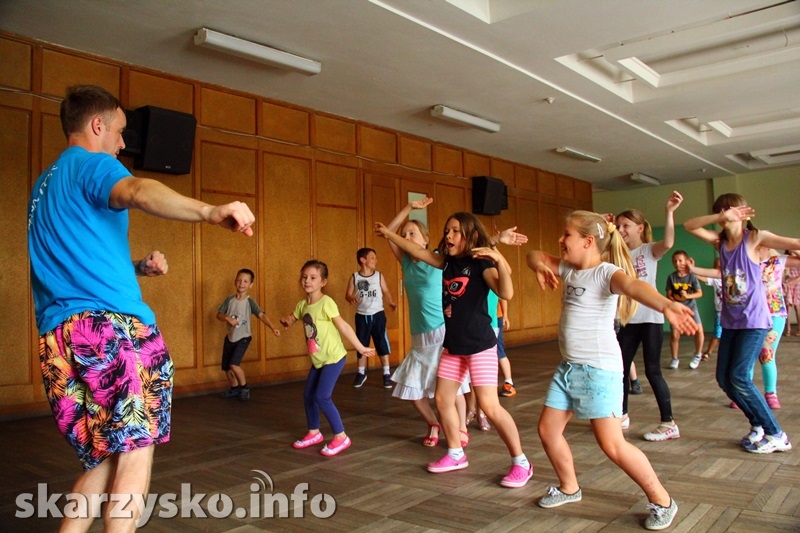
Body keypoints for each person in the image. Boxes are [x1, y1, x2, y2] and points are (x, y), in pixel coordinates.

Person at [27, 84, 256, 531]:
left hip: (59, 339)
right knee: (135, 449)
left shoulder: (45, 186)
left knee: (106, 455)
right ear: (97, 125)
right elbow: (136, 189)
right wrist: (209, 211)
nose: (122, 143)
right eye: (119, 131)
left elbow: (69, 263)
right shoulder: (92, 164)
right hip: (109, 330)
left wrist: (136, 268)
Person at [526, 210, 697, 530]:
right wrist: (539, 266)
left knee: (612, 445)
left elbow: (634, 286)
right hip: (568, 368)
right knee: (548, 431)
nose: (561, 240)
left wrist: (666, 305)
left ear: (588, 241)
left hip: (598, 370)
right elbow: (533, 254)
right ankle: (569, 487)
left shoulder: (606, 273)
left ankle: (663, 500)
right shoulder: (569, 268)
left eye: (567, 235)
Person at [375, 212, 532, 489]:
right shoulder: (446, 262)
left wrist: (499, 259)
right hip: (453, 345)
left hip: (480, 345)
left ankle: (521, 462)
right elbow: (415, 250)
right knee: (443, 399)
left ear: (470, 236)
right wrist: (389, 234)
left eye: (455, 231)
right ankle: (456, 452)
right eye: (447, 230)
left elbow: (506, 293)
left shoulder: (482, 263)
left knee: (490, 406)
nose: (448, 235)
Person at [684, 193, 800, 453]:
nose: (728, 214)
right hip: (731, 321)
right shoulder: (720, 242)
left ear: (744, 213)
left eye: (732, 209)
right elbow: (689, 225)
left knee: (739, 376)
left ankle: (776, 434)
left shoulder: (755, 238)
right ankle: (757, 424)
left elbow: (794, 243)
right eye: (723, 210)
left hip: (755, 321)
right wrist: (720, 216)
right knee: (724, 379)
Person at [383, 197, 469, 448]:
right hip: (419, 337)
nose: (407, 237)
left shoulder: (439, 259)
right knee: (411, 387)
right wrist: (409, 208)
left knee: (454, 386)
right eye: (405, 234)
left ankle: (462, 427)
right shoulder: (406, 263)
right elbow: (388, 233)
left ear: (425, 240)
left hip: (442, 331)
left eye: (413, 233)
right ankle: (433, 423)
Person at [281, 260, 376, 456]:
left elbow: (344, 326)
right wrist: (287, 320)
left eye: (313, 278)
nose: (307, 281)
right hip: (318, 360)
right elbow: (293, 316)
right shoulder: (303, 305)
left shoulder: (326, 303)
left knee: (322, 397)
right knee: (308, 396)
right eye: (304, 277)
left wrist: (360, 347)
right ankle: (314, 432)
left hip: (333, 358)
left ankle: (341, 437)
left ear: (323, 282)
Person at [614, 191, 682, 440]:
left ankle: (668, 423)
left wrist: (669, 212)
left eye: (626, 225)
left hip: (651, 319)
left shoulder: (649, 250)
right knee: (620, 370)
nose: (621, 230)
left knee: (653, 371)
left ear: (640, 228)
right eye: (618, 226)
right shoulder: (617, 253)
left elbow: (669, 243)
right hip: (627, 320)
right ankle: (621, 415)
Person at [217, 268, 281, 401]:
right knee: (227, 367)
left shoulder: (249, 302)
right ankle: (234, 389)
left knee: (234, 364)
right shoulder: (229, 300)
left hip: (243, 338)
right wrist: (227, 318)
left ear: (251, 285)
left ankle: (244, 388)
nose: (242, 283)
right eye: (239, 280)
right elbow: (219, 315)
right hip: (230, 337)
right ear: (235, 282)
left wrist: (273, 328)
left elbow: (261, 315)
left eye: (245, 281)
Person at [346, 248, 397, 389]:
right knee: (361, 343)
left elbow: (385, 291)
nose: (375, 260)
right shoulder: (355, 277)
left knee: (382, 342)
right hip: (362, 316)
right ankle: (361, 373)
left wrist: (391, 302)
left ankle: (386, 373)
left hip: (378, 315)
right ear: (363, 260)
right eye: (372, 257)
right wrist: (351, 299)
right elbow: (348, 294)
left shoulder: (379, 276)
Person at [665, 250, 705, 370]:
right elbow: (668, 294)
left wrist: (688, 296)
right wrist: (673, 299)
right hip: (677, 309)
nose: (677, 263)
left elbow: (699, 293)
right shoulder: (671, 277)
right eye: (675, 261)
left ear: (686, 261)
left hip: (691, 307)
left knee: (699, 331)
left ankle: (698, 355)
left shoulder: (692, 276)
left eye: (680, 260)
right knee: (675, 334)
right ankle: (674, 359)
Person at [695, 257, 722, 362]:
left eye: (720, 266)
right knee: (717, 333)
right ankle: (708, 352)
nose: (718, 269)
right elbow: (703, 278)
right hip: (720, 311)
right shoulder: (714, 279)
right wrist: (692, 270)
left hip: (733, 312)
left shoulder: (730, 277)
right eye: (716, 267)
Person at [782, 250, 800, 336]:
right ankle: (788, 329)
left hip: (797, 284)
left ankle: (799, 329)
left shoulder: (798, 260)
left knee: (797, 306)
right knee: (788, 307)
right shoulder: (787, 259)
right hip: (788, 284)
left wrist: (789, 283)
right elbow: (784, 273)